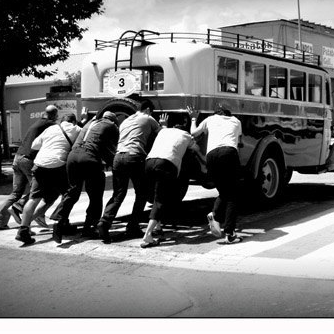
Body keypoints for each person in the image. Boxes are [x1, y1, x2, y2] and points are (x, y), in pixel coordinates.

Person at [97, 100, 164, 242]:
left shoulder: (125, 121)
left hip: (118, 157)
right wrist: (163, 125)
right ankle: (133, 226)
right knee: (142, 193)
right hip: (134, 156)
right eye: (150, 112)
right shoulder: (147, 118)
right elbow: (161, 134)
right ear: (147, 110)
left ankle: (105, 221)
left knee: (118, 194)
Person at [50, 111, 119, 243]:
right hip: (89, 158)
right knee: (96, 195)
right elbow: (112, 148)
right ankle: (89, 227)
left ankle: (59, 221)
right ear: (113, 120)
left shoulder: (90, 123)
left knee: (73, 191)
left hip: (73, 156)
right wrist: (114, 165)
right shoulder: (112, 126)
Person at [15, 113, 81, 245]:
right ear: (73, 121)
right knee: (70, 193)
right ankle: (60, 221)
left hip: (40, 165)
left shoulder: (50, 129)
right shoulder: (76, 129)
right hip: (58, 165)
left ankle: (23, 229)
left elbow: (34, 145)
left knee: (34, 198)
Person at [0, 105, 59, 230]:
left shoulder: (37, 123)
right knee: (40, 189)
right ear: (55, 115)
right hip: (28, 159)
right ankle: (19, 208)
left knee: (16, 192)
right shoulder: (50, 125)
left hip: (18, 158)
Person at [141, 114, 200, 248]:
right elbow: (196, 149)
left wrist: (164, 124)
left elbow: (163, 129)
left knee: (155, 196)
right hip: (166, 164)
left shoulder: (163, 131)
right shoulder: (186, 135)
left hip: (149, 162)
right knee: (160, 200)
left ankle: (157, 227)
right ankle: (147, 235)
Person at [187, 104, 243, 244]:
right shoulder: (236, 121)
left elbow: (193, 133)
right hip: (229, 153)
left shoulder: (210, 119)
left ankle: (215, 215)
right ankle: (230, 233)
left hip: (211, 155)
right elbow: (240, 142)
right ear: (228, 114)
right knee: (233, 195)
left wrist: (193, 119)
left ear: (217, 113)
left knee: (224, 191)